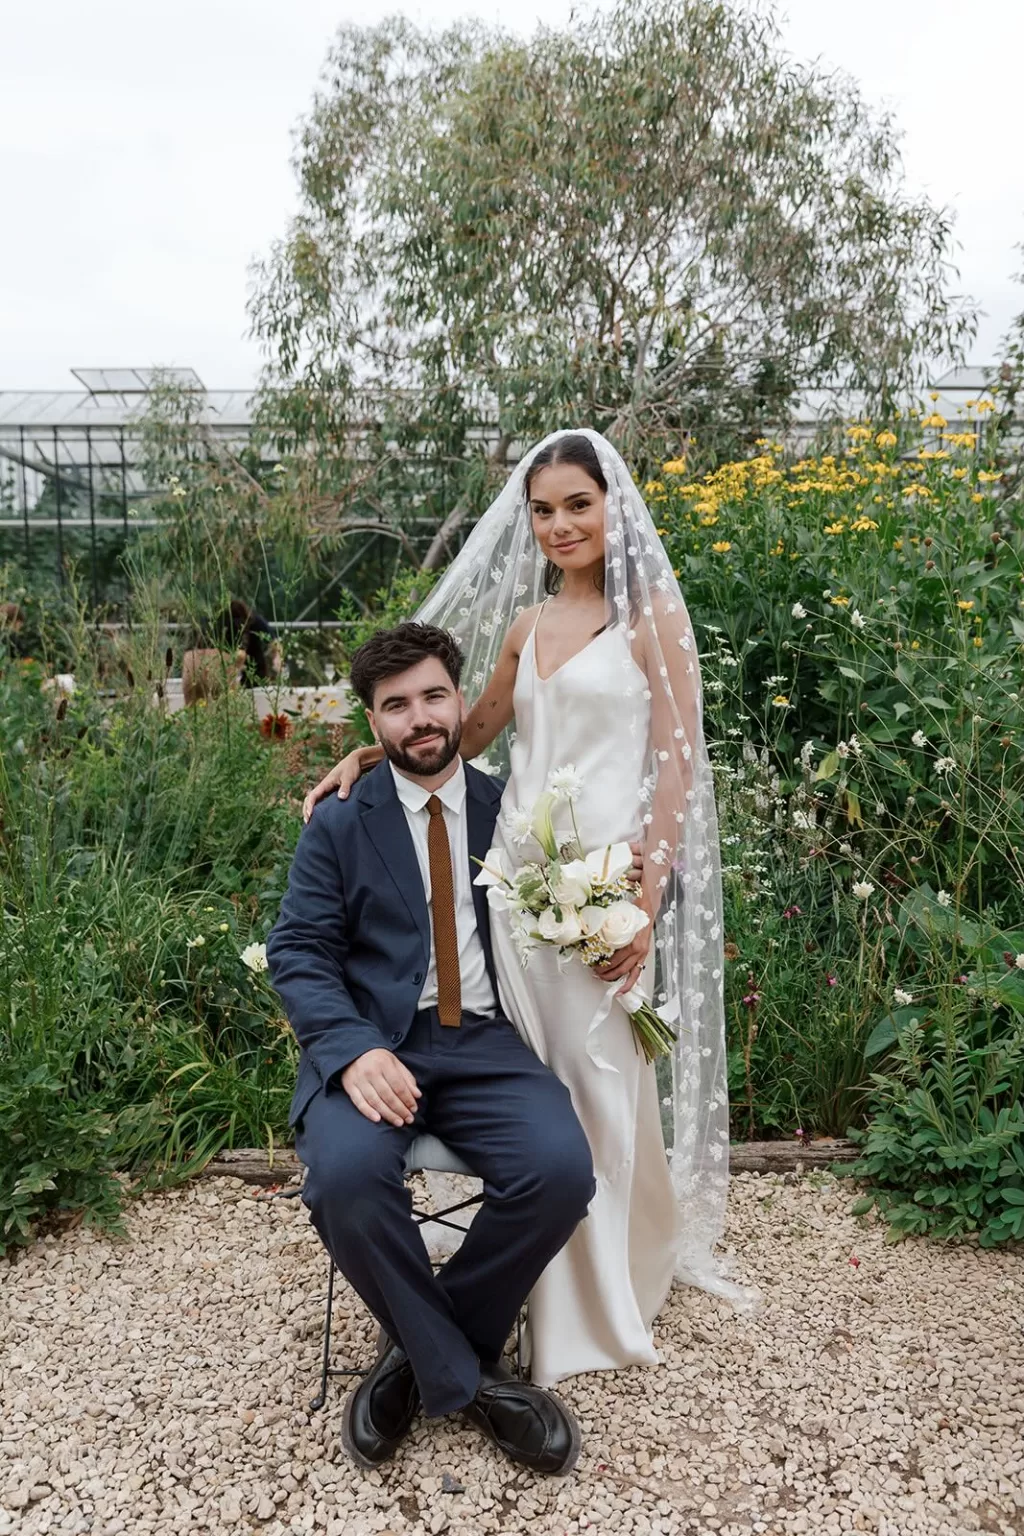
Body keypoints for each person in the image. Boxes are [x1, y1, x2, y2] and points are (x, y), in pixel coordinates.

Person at [304, 430, 748, 1389]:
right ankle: (502, 1316)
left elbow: (678, 764)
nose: (559, 526)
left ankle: (591, 1306)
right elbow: (456, 730)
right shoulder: (523, 627)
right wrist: (363, 757)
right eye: (543, 510)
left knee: (598, 1097)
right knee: (547, 1093)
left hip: (602, 899)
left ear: (611, 505)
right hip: (515, 894)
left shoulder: (652, 620)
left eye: (577, 505)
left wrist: (647, 898)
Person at [266, 622, 594, 1474]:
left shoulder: (514, 810)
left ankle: (417, 1354)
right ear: (372, 724)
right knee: (343, 1178)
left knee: (560, 1170)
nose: (419, 719)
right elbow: (299, 950)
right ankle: (476, 1382)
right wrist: (349, 1051)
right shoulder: (340, 821)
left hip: (486, 1043)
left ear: (462, 700)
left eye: (433, 697)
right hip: (376, 1043)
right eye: (396, 706)